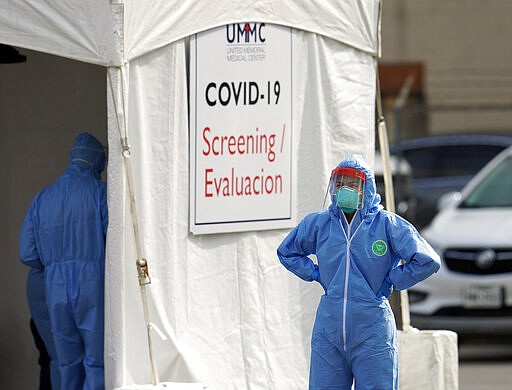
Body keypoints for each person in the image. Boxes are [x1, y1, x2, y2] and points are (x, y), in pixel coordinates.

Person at [277, 154, 440, 390]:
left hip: (372, 329)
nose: (345, 190)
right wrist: (314, 273)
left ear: (367, 188)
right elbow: (287, 252)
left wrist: (393, 279)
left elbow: (427, 260)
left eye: (353, 185)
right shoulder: (320, 224)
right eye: (340, 184)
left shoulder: (386, 225)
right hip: (329, 328)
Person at [20, 132, 108, 390]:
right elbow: (115, 242)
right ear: (97, 160)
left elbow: (26, 253)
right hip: (93, 284)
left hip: (54, 286)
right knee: (96, 361)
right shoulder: (100, 193)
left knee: (65, 362)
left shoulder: (42, 198)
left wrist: (54, 264)